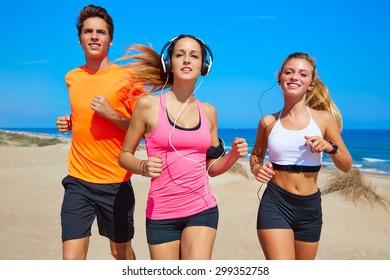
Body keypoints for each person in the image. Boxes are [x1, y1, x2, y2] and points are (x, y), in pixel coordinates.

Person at [117, 34, 248, 260]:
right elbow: (124, 156)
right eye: (180, 55)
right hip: (161, 212)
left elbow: (212, 168)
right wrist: (143, 166)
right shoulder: (147, 105)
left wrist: (234, 156)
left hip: (201, 208)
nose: (187, 60)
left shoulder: (209, 112)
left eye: (194, 56)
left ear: (203, 66)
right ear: (169, 63)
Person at [56, 4, 144, 260]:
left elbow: (144, 130)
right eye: (88, 31)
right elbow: (85, 117)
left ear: (110, 39)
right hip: (78, 181)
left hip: (115, 182)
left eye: (100, 32)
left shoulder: (128, 78)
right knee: (71, 260)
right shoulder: (72, 77)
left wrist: (112, 114)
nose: (94, 36)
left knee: (121, 253)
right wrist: (71, 122)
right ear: (80, 38)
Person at [250, 52, 352, 260]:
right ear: (280, 79)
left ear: (311, 84)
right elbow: (255, 156)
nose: (295, 77)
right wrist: (256, 169)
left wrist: (329, 147)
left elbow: (346, 165)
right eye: (289, 72)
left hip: (310, 208)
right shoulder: (268, 122)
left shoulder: (324, 120)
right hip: (275, 203)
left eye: (303, 74)